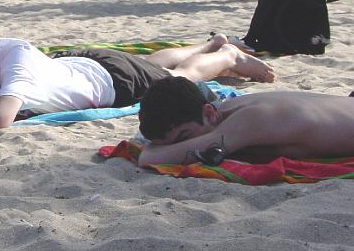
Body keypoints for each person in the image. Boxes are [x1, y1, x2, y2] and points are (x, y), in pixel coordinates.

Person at [0, 22, 275, 130]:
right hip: (71, 62)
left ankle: (226, 54)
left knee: (179, 77)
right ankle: (209, 43)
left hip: (108, 81)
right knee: (153, 62)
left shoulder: (13, 57)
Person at [137, 76, 354, 167]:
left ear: (209, 113)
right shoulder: (230, 109)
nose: (183, 145)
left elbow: (149, 158)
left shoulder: (251, 120)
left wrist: (155, 149)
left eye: (184, 136)